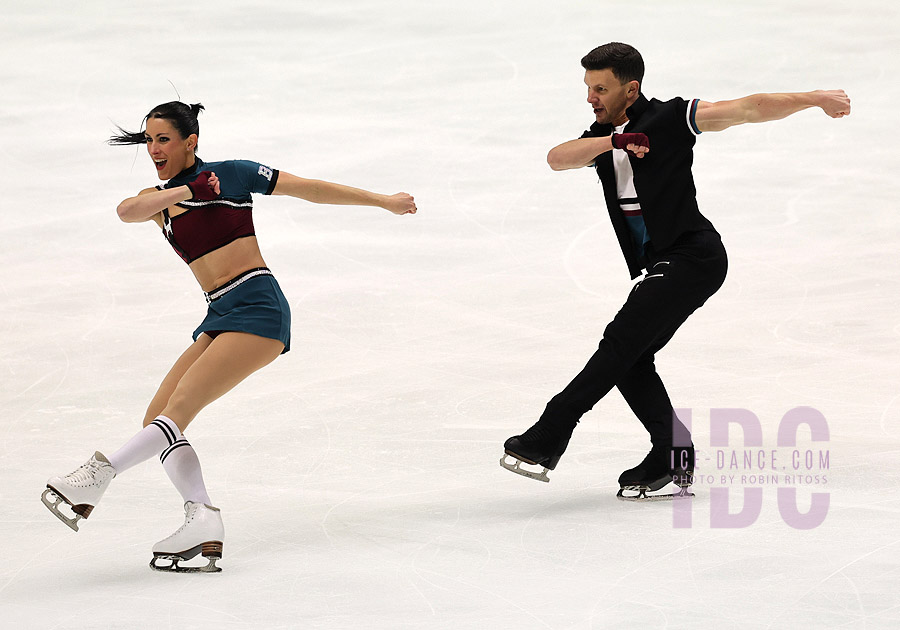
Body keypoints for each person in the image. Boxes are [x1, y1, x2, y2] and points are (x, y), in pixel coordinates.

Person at [41, 101, 417, 571]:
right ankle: (201, 519)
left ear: (190, 141)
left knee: (174, 415)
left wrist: (383, 200)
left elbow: (310, 189)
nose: (155, 149)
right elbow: (127, 211)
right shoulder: (161, 198)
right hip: (220, 312)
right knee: (157, 418)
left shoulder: (234, 174)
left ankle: (98, 475)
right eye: (150, 140)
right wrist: (186, 188)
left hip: (258, 307)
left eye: (164, 139)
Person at [500, 42, 850, 499]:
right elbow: (556, 157)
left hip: (693, 255)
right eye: (588, 88)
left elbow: (746, 109)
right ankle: (672, 451)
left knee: (619, 344)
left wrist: (814, 97)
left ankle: (550, 433)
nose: (592, 98)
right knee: (629, 358)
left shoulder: (668, 118)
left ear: (631, 89)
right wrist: (615, 141)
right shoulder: (605, 136)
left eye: (601, 89)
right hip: (667, 261)